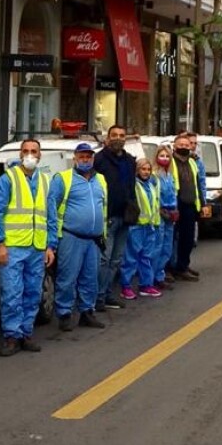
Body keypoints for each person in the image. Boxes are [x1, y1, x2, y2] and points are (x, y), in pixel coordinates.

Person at [0, 138, 54, 356]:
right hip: (14, 247)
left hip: (37, 247)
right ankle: (11, 336)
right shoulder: (8, 179)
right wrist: (0, 245)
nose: (29, 155)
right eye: (25, 151)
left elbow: (51, 216)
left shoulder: (45, 181)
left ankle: (26, 333)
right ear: (20, 154)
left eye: (33, 151)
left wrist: (50, 246)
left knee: (33, 293)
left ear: (40, 155)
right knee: (12, 294)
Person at [47, 143, 108, 332]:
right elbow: (51, 208)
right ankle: (64, 313)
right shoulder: (63, 179)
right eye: (81, 156)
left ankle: (87, 312)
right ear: (74, 158)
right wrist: (52, 240)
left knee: (90, 278)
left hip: (94, 239)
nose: (85, 159)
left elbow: (104, 208)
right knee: (67, 277)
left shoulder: (101, 180)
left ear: (93, 158)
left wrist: (103, 236)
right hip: (71, 236)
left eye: (88, 156)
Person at [94, 123, 136, 311]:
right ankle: (97, 298)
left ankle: (108, 293)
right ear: (108, 138)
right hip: (107, 218)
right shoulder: (99, 160)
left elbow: (131, 187)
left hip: (125, 217)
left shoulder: (129, 161)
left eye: (122, 135)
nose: (118, 138)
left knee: (116, 260)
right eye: (115, 135)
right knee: (104, 259)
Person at [119, 158, 162, 299]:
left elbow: (154, 205)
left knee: (146, 257)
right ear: (137, 170)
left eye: (148, 169)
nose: (146, 172)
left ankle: (146, 285)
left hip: (149, 226)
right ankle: (125, 286)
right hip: (136, 226)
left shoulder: (151, 185)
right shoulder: (134, 185)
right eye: (143, 169)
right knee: (131, 258)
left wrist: (155, 223)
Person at [170, 135, 210, 280]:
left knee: (187, 239)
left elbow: (198, 184)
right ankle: (170, 269)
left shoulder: (193, 162)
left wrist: (203, 204)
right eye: (181, 144)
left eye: (187, 145)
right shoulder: (170, 162)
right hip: (175, 205)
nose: (184, 147)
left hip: (190, 205)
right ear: (174, 146)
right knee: (171, 239)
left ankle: (183, 266)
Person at [152, 143, 178, 290]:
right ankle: (152, 278)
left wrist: (175, 210)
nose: (165, 158)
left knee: (167, 247)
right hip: (160, 215)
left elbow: (173, 194)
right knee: (158, 247)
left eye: (167, 156)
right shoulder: (154, 175)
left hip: (170, 214)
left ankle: (160, 275)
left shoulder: (170, 175)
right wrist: (162, 211)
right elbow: (154, 197)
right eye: (162, 155)